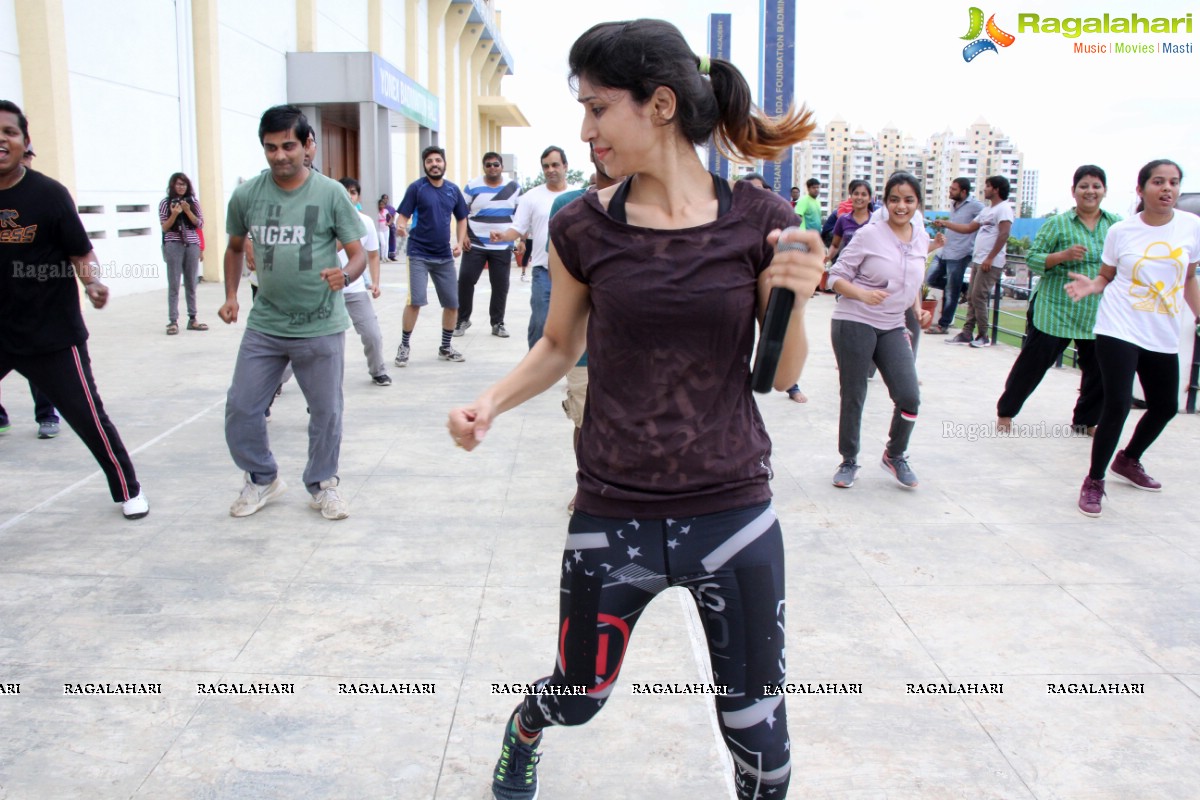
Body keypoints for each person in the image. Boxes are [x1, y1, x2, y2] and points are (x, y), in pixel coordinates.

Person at [447, 20, 823, 800]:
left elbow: (775, 374)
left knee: (761, 736)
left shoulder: (758, 218)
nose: (584, 132)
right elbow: (557, 346)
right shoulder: (580, 224)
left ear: (657, 105)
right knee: (578, 696)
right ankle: (525, 729)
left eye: (596, 109)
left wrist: (793, 299)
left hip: (733, 512)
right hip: (612, 509)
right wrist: (489, 402)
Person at [0, 100, 148, 518]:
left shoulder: (48, 195)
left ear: (25, 141)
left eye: (9, 133)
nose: (1, 141)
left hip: (52, 334)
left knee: (88, 418)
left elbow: (81, 253)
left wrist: (94, 283)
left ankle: (128, 490)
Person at [218, 104, 366, 520]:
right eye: (270, 148)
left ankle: (323, 484)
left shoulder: (332, 193)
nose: (280, 155)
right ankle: (262, 478)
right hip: (265, 324)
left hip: (320, 324)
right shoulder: (247, 195)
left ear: (306, 146)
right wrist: (231, 295)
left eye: (288, 146)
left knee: (325, 411)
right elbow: (233, 248)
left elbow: (357, 254)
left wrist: (345, 274)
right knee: (242, 407)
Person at [1065, 159, 1200, 517]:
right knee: (1118, 404)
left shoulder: (1191, 227)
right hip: (1118, 325)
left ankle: (1128, 459)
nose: (1167, 188)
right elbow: (1105, 276)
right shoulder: (1122, 231)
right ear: (1141, 190)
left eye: (1173, 182)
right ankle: (1094, 481)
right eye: (1158, 182)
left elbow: (1187, 279)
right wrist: (1091, 286)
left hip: (1162, 330)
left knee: (1166, 406)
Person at [996, 165, 1120, 434]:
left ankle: (1086, 421)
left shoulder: (1116, 225)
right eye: (1084, 186)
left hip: (1096, 310)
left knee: (1098, 371)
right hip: (1056, 308)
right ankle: (1006, 412)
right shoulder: (1057, 224)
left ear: (1105, 191)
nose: (1090, 191)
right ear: (1073, 191)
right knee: (1033, 364)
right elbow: (1033, 259)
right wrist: (1062, 256)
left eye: (1096, 186)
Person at [827, 172, 932, 489]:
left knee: (909, 396)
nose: (902, 206)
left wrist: (916, 308)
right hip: (854, 318)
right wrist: (861, 294)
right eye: (895, 199)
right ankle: (848, 460)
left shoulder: (921, 237)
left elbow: (911, 278)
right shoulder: (870, 234)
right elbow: (835, 276)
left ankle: (895, 454)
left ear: (917, 203)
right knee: (854, 394)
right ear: (885, 202)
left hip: (892, 323)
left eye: (909, 200)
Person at [0, 142, 60, 439]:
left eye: (27, 156)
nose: (24, 161)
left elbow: (71, 247)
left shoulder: (45, 195)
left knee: (41, 366)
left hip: (36, 302)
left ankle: (47, 414)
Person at [393, 145, 470, 366]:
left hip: (444, 255)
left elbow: (462, 217)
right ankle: (404, 346)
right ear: (424, 165)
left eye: (438, 160)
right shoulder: (417, 188)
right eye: (429, 161)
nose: (434, 164)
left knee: (452, 303)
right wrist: (400, 227)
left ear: (444, 163)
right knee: (415, 301)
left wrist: (459, 241)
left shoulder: (453, 190)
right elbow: (402, 217)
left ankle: (445, 347)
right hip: (418, 253)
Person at [489, 146, 572, 348]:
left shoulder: (578, 195)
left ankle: (576, 374)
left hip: (573, 273)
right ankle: (535, 369)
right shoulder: (531, 197)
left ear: (565, 166)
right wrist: (503, 236)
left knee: (575, 323)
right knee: (540, 321)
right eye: (546, 166)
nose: (550, 169)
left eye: (555, 164)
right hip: (544, 271)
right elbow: (518, 228)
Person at [936, 175, 1014, 347]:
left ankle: (983, 335)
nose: (984, 189)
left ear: (996, 189)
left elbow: (1004, 234)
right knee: (971, 296)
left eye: (987, 186)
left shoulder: (1004, 209)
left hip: (990, 261)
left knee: (978, 297)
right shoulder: (987, 210)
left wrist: (991, 257)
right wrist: (946, 224)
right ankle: (966, 333)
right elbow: (968, 228)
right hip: (979, 259)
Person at [457, 152, 521, 338]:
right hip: (475, 244)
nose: (492, 168)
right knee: (466, 281)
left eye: (495, 164)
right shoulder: (472, 186)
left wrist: (521, 240)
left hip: (502, 245)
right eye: (488, 165)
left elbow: (521, 216)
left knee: (500, 285)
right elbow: (461, 214)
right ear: (483, 167)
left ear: (501, 166)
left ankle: (497, 323)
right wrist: (464, 236)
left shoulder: (514, 187)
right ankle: (462, 320)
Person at [338, 178, 391, 386]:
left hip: (355, 289)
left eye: (352, 192)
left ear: (357, 196)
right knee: (308, 340)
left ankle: (378, 370)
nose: (348, 196)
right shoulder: (324, 220)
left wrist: (375, 282)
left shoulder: (366, 222)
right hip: (326, 291)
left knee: (372, 334)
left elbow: (373, 255)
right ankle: (277, 381)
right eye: (344, 192)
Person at [925, 177, 983, 334]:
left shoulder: (976, 206)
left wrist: (947, 224)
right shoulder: (954, 204)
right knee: (930, 279)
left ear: (963, 192)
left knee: (951, 292)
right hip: (945, 250)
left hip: (960, 253)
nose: (950, 191)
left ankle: (943, 325)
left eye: (954, 189)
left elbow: (987, 219)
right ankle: (963, 288)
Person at [159, 171, 207, 335]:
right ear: (172, 186)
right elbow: (164, 227)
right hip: (174, 243)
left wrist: (187, 211)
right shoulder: (166, 203)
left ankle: (193, 318)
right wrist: (174, 214)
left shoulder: (193, 202)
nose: (181, 187)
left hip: (192, 244)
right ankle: (173, 321)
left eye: (184, 184)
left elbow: (199, 223)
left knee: (191, 282)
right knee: (174, 283)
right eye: (178, 184)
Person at [826, 179, 872, 264]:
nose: (859, 197)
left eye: (864, 194)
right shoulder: (843, 219)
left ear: (870, 199)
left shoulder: (875, 220)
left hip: (869, 270)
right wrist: (827, 259)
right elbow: (835, 246)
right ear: (851, 197)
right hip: (847, 267)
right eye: (856, 194)